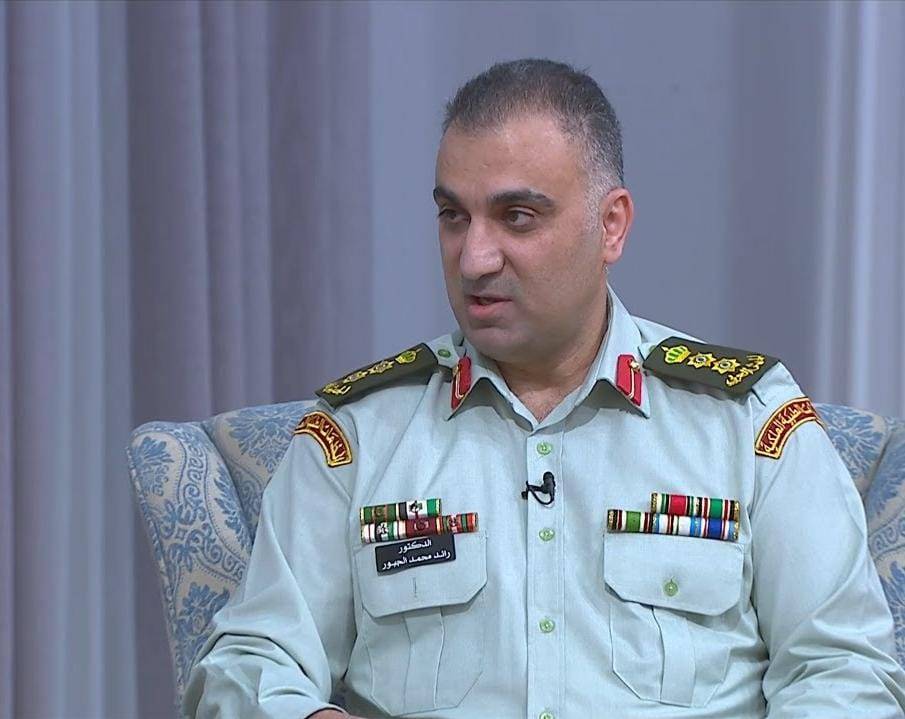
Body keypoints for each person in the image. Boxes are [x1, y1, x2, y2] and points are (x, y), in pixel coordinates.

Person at [183, 58, 905, 718]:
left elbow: (844, 671)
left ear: (610, 226)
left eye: (517, 217)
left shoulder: (744, 421)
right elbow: (247, 665)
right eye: (453, 215)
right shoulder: (360, 434)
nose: (474, 258)